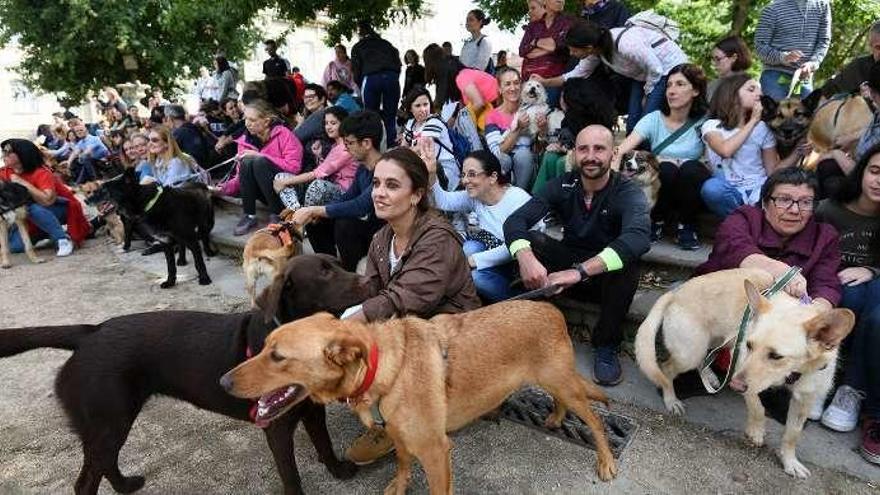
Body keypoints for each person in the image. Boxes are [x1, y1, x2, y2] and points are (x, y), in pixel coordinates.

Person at [339, 146, 481, 466]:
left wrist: (354, 322)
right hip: (413, 318)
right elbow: (371, 289)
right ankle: (387, 411)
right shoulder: (382, 237)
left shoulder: (437, 238)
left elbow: (406, 297)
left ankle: (395, 426)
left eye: (392, 185)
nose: (379, 193)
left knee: (387, 342)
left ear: (416, 195)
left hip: (454, 329)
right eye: (376, 184)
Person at [503, 125, 651, 386]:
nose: (590, 156)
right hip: (565, 269)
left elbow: (638, 238)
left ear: (614, 153)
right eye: (583, 149)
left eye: (599, 149)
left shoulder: (627, 192)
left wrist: (580, 271)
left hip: (603, 278)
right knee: (532, 241)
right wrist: (525, 256)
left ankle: (606, 345)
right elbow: (515, 221)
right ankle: (529, 331)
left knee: (628, 263)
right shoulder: (563, 184)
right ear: (574, 153)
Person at [695, 167, 842, 376]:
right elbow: (734, 248)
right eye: (783, 199)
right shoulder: (744, 218)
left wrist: (814, 315)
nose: (794, 210)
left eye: (805, 202)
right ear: (765, 203)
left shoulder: (825, 236)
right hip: (718, 305)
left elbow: (826, 282)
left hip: (777, 323)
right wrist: (780, 270)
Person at [813, 145, 880, 463]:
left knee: (869, 298)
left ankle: (849, 389)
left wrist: (871, 269)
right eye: (875, 171)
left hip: (875, 289)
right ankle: (822, 376)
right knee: (850, 296)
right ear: (862, 171)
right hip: (834, 287)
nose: (879, 181)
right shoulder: (829, 209)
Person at [532, 19, 689, 135]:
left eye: (573, 50)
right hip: (644, 75)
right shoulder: (597, 52)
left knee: (646, 120)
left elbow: (655, 68)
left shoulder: (627, 44)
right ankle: (633, 161)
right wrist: (545, 81)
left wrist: (647, 94)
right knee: (633, 121)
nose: (572, 54)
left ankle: (647, 161)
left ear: (588, 48)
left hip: (666, 69)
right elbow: (577, 73)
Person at [613, 64, 710, 250]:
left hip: (691, 181)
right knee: (665, 168)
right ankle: (655, 221)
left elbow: (712, 158)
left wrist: (687, 162)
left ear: (696, 90)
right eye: (669, 85)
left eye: (680, 84)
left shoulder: (705, 121)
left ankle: (687, 226)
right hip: (662, 181)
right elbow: (622, 149)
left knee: (691, 169)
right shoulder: (654, 119)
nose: (672, 91)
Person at [426, 148, 535, 302]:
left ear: (492, 177)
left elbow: (516, 248)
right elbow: (443, 201)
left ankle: (517, 303)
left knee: (476, 277)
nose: (465, 181)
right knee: (468, 248)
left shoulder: (517, 199)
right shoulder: (476, 197)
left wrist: (473, 261)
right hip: (491, 257)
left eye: (472, 174)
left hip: (520, 265)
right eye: (463, 175)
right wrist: (432, 173)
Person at [290, 111, 385, 271]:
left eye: (349, 143)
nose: (346, 149)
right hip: (365, 225)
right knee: (316, 222)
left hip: (380, 232)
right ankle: (331, 267)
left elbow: (361, 205)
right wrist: (316, 213)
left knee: (345, 223)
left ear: (367, 143)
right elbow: (348, 196)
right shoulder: (363, 168)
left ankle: (352, 275)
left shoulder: (384, 168)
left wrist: (317, 209)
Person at [701, 74, 788, 218]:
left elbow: (772, 171)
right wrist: (753, 121)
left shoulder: (762, 128)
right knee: (712, 188)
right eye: (751, 89)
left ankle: (745, 223)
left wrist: (798, 152)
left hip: (759, 189)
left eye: (760, 90)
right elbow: (725, 150)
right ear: (732, 94)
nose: (759, 94)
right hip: (730, 191)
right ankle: (749, 221)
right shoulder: (712, 126)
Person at [0, 139, 91, 257]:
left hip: (59, 208)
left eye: (8, 152)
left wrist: (22, 182)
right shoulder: (5, 172)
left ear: (22, 154)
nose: (3, 156)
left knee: (29, 207)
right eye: (3, 152)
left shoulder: (41, 172)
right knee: (15, 247)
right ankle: (46, 232)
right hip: (30, 217)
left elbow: (48, 200)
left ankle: (62, 239)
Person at [233, 100, 304, 236]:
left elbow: (294, 168)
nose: (247, 123)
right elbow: (239, 177)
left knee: (259, 161)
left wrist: (261, 156)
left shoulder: (284, 134)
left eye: (252, 120)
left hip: (284, 191)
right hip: (262, 191)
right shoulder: (245, 140)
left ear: (266, 121)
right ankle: (249, 215)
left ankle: (277, 214)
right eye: (246, 118)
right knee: (247, 161)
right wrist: (222, 189)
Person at [274, 106, 358, 211]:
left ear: (344, 123)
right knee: (281, 177)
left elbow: (316, 174)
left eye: (333, 123)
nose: (328, 127)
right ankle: (296, 211)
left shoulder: (346, 148)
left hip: (343, 193)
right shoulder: (333, 145)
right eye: (326, 123)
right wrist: (318, 155)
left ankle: (305, 218)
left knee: (317, 185)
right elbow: (325, 169)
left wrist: (286, 182)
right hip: (328, 185)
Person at [754, 0, 831, 101]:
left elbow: (824, 41)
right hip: (775, 76)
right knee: (775, 115)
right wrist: (783, 57)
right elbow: (760, 47)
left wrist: (813, 63)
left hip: (803, 79)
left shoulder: (823, 5)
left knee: (808, 115)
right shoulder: (772, 8)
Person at [484, 67, 547, 189]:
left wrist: (542, 130)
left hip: (526, 163)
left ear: (521, 86)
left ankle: (520, 195)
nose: (513, 88)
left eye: (516, 83)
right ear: (500, 89)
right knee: (504, 159)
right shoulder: (492, 116)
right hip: (503, 164)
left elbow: (539, 150)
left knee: (524, 154)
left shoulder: (533, 110)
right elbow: (498, 152)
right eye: (507, 84)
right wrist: (518, 129)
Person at [423, 43, 499, 131]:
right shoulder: (457, 72)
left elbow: (478, 103)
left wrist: (460, 120)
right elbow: (461, 104)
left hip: (498, 105)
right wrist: (451, 122)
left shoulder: (462, 77)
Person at [351, 21, 401, 146]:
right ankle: (391, 147)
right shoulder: (386, 44)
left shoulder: (358, 46)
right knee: (390, 116)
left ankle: (374, 147)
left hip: (371, 77)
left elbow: (356, 70)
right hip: (391, 76)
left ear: (360, 33)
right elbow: (398, 62)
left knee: (370, 116)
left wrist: (360, 83)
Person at [518, 0, 575, 107]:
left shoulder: (568, 21)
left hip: (553, 81)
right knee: (529, 118)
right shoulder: (533, 26)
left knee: (550, 116)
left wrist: (535, 42)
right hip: (530, 81)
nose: (561, 0)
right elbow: (522, 51)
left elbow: (560, 46)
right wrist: (548, 47)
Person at [401, 88, 459, 190]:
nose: (423, 109)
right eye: (418, 106)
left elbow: (421, 148)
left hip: (445, 170)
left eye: (425, 104)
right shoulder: (411, 123)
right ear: (410, 108)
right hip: (424, 168)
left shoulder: (434, 122)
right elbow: (403, 147)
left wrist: (399, 154)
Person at [821, 21, 880, 98]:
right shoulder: (859, 68)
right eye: (878, 47)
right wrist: (857, 96)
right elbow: (827, 92)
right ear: (870, 46)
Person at [707, 35, 752, 102]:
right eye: (713, 59)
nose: (713, 63)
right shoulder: (712, 85)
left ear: (733, 58)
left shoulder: (748, 87)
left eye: (718, 59)